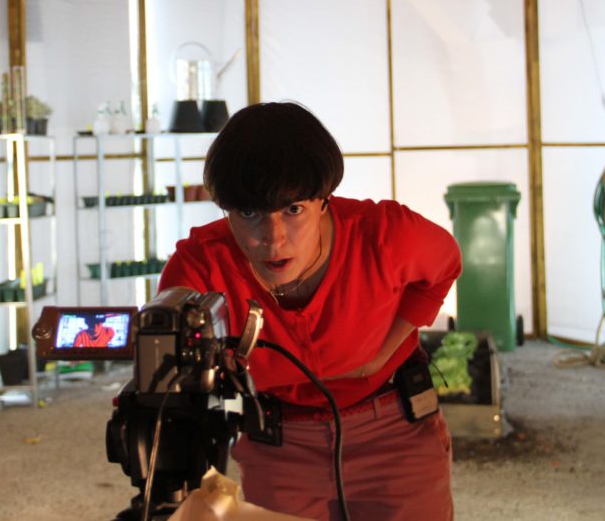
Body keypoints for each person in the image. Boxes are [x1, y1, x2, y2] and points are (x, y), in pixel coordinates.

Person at [158, 102, 461, 520]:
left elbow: (445, 263)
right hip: (278, 445)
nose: (273, 238)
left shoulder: (386, 236)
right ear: (225, 210)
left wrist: (381, 352)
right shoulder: (200, 267)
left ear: (324, 200)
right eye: (249, 214)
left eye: (293, 210)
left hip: (395, 432)